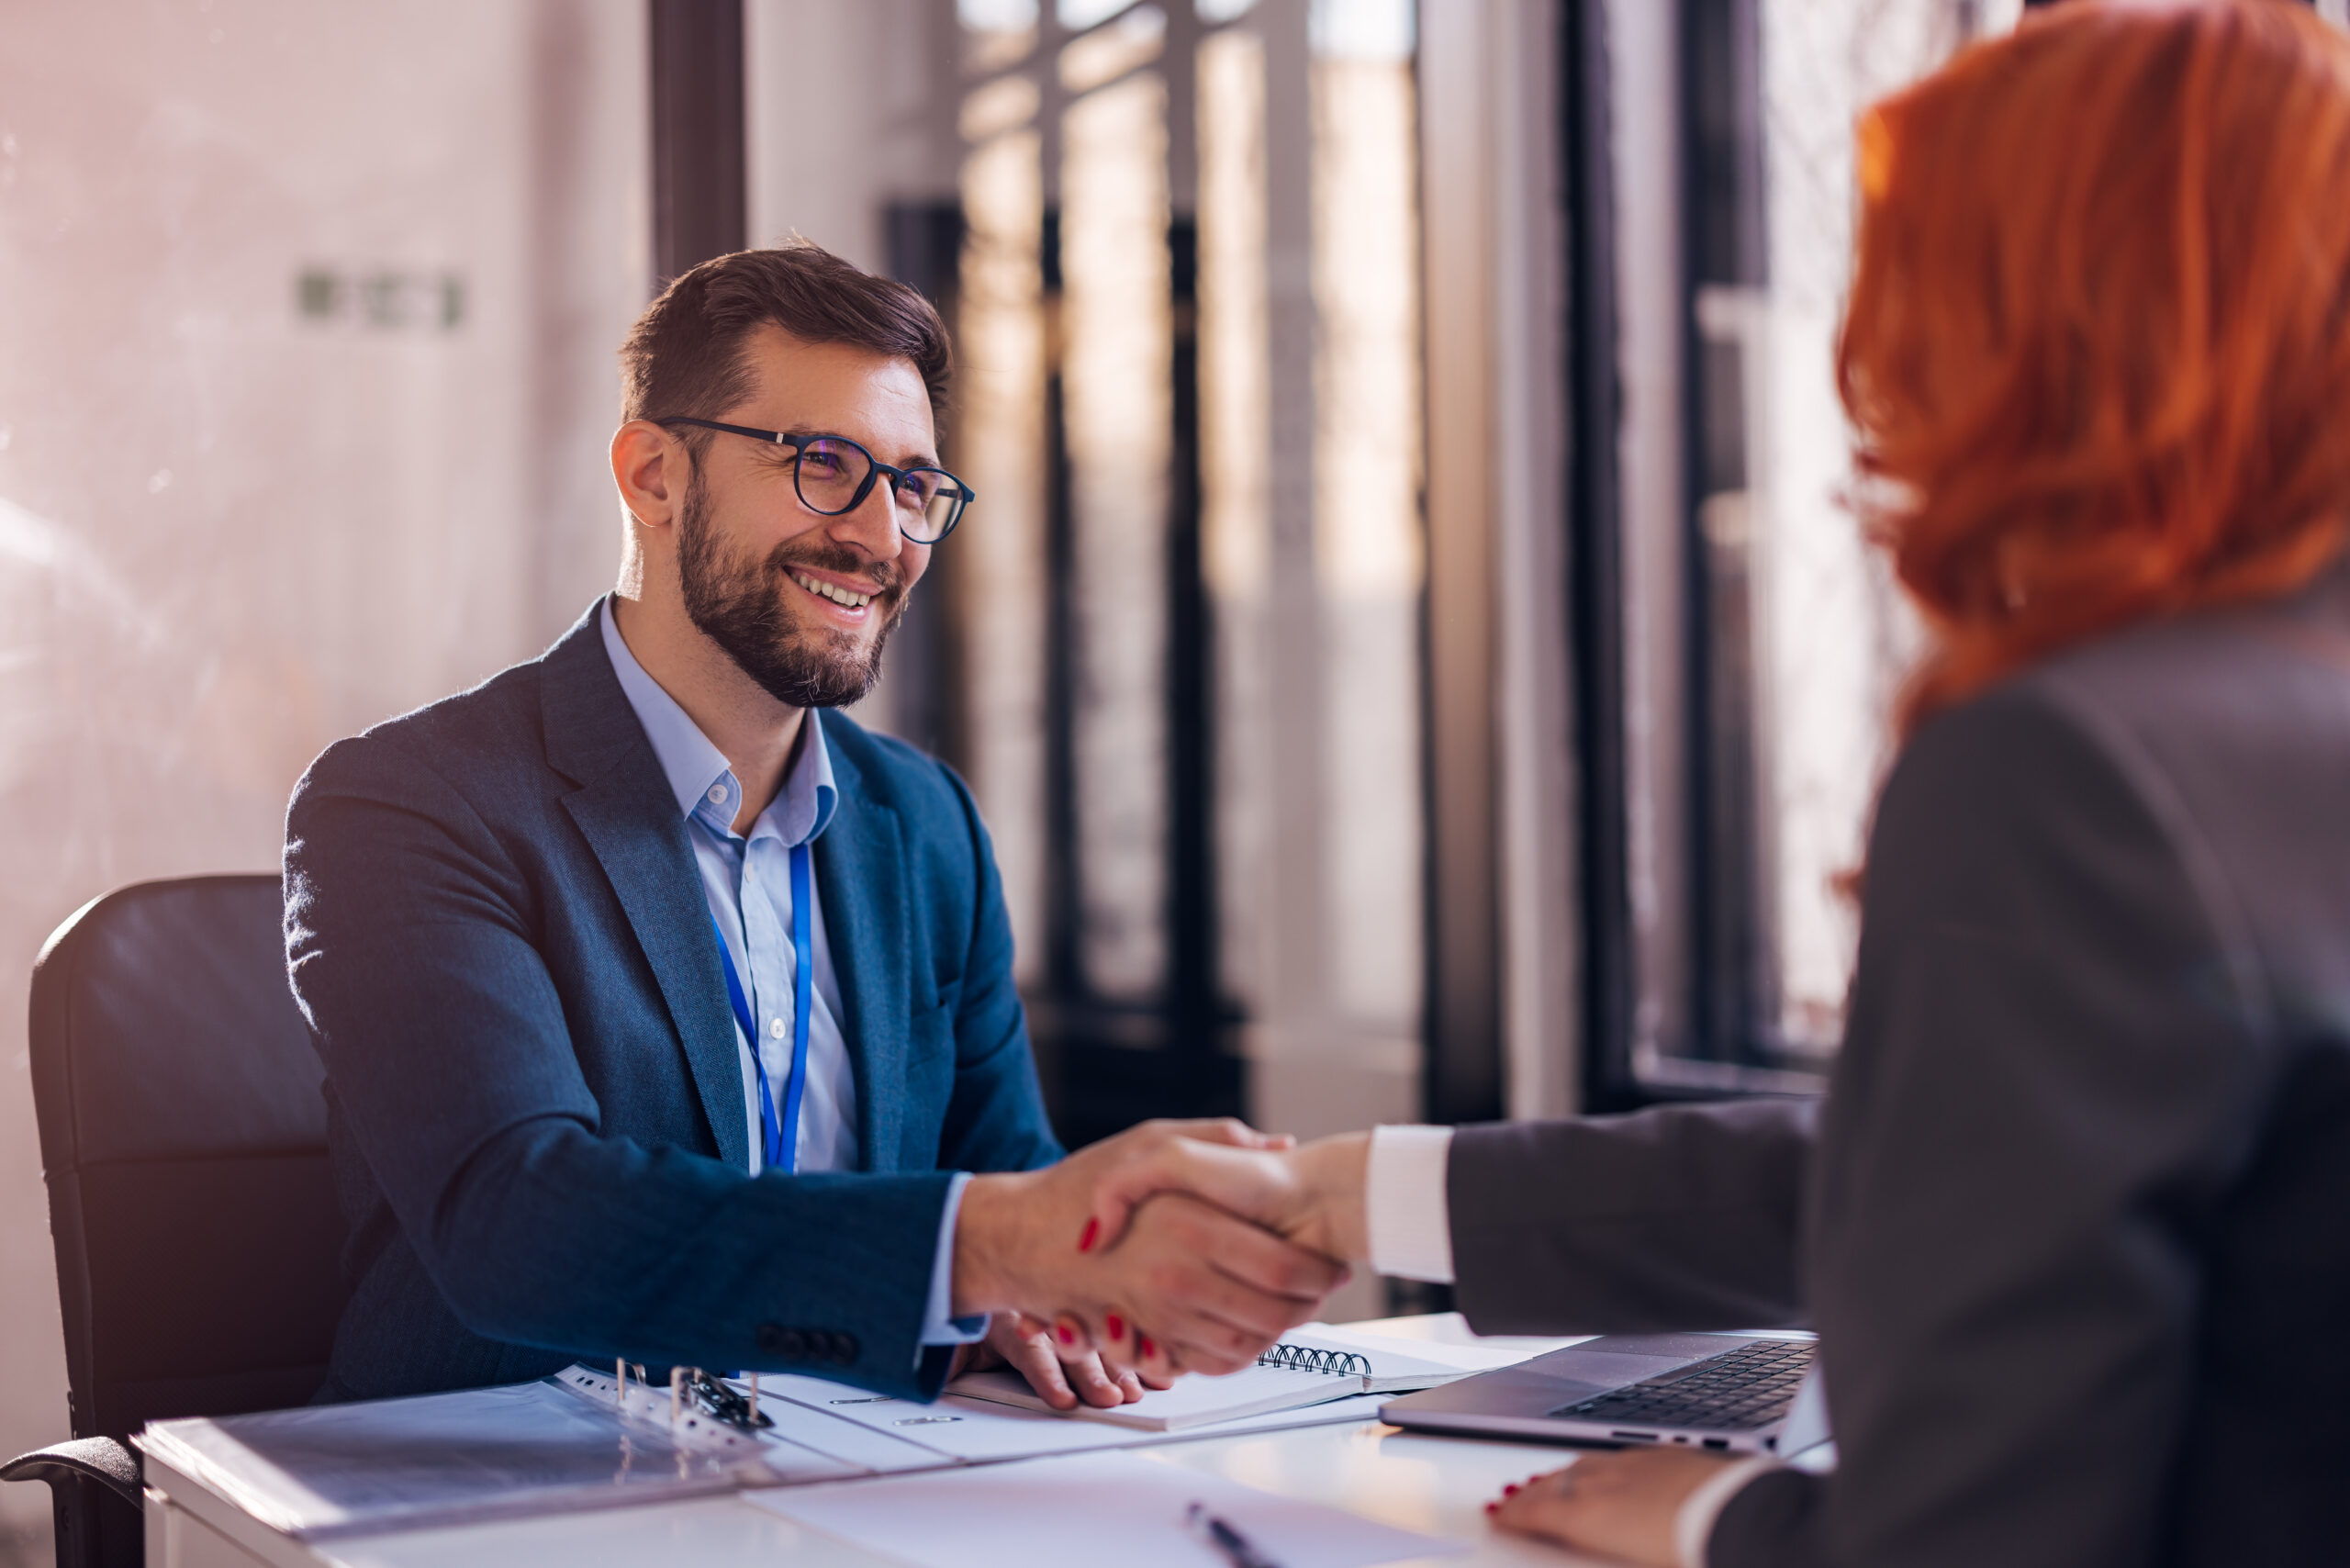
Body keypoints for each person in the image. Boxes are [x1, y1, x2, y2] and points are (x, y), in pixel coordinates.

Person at [1070, 4, 2350, 1563]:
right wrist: (1353, 1193)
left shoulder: (2075, 766)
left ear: (2033, 321)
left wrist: (1724, 1509)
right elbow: (1975, 1161)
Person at [283, 243, 1342, 1411]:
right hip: (498, 1491)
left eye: (914, 488)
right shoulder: (411, 804)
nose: (882, 537)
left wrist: (1110, 1265)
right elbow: (517, 1226)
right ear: (652, 476)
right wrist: (993, 1243)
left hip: (857, 1470)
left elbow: (1014, 1188)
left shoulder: (923, 825)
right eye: (825, 463)